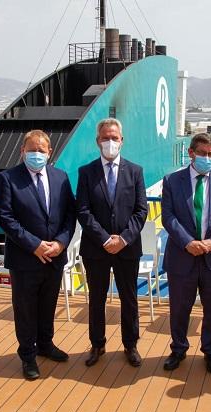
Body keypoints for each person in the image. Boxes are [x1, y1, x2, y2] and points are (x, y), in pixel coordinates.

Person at [0, 129, 76, 380]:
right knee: (25, 309)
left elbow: (69, 215)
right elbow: (5, 218)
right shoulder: (9, 178)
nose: (37, 154)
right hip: (25, 258)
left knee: (48, 304)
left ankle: (46, 344)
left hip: (54, 256)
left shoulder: (60, 177)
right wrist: (35, 245)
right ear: (22, 151)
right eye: (32, 150)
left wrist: (61, 244)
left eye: (41, 150)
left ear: (49, 153)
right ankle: (27, 356)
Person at [161, 132, 211, 373]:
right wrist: (187, 242)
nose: (207, 158)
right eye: (203, 153)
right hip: (182, 256)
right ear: (191, 153)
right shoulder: (172, 181)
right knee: (179, 307)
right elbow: (168, 216)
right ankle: (178, 349)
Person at [76, 118, 148, 367]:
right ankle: (97, 344)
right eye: (105, 138)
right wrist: (105, 239)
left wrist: (124, 238)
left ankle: (131, 345)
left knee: (129, 299)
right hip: (97, 248)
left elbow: (141, 210)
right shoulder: (86, 172)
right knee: (97, 298)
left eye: (114, 138)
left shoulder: (135, 171)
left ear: (122, 140)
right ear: (98, 141)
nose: (110, 142)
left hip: (127, 248)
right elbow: (83, 211)